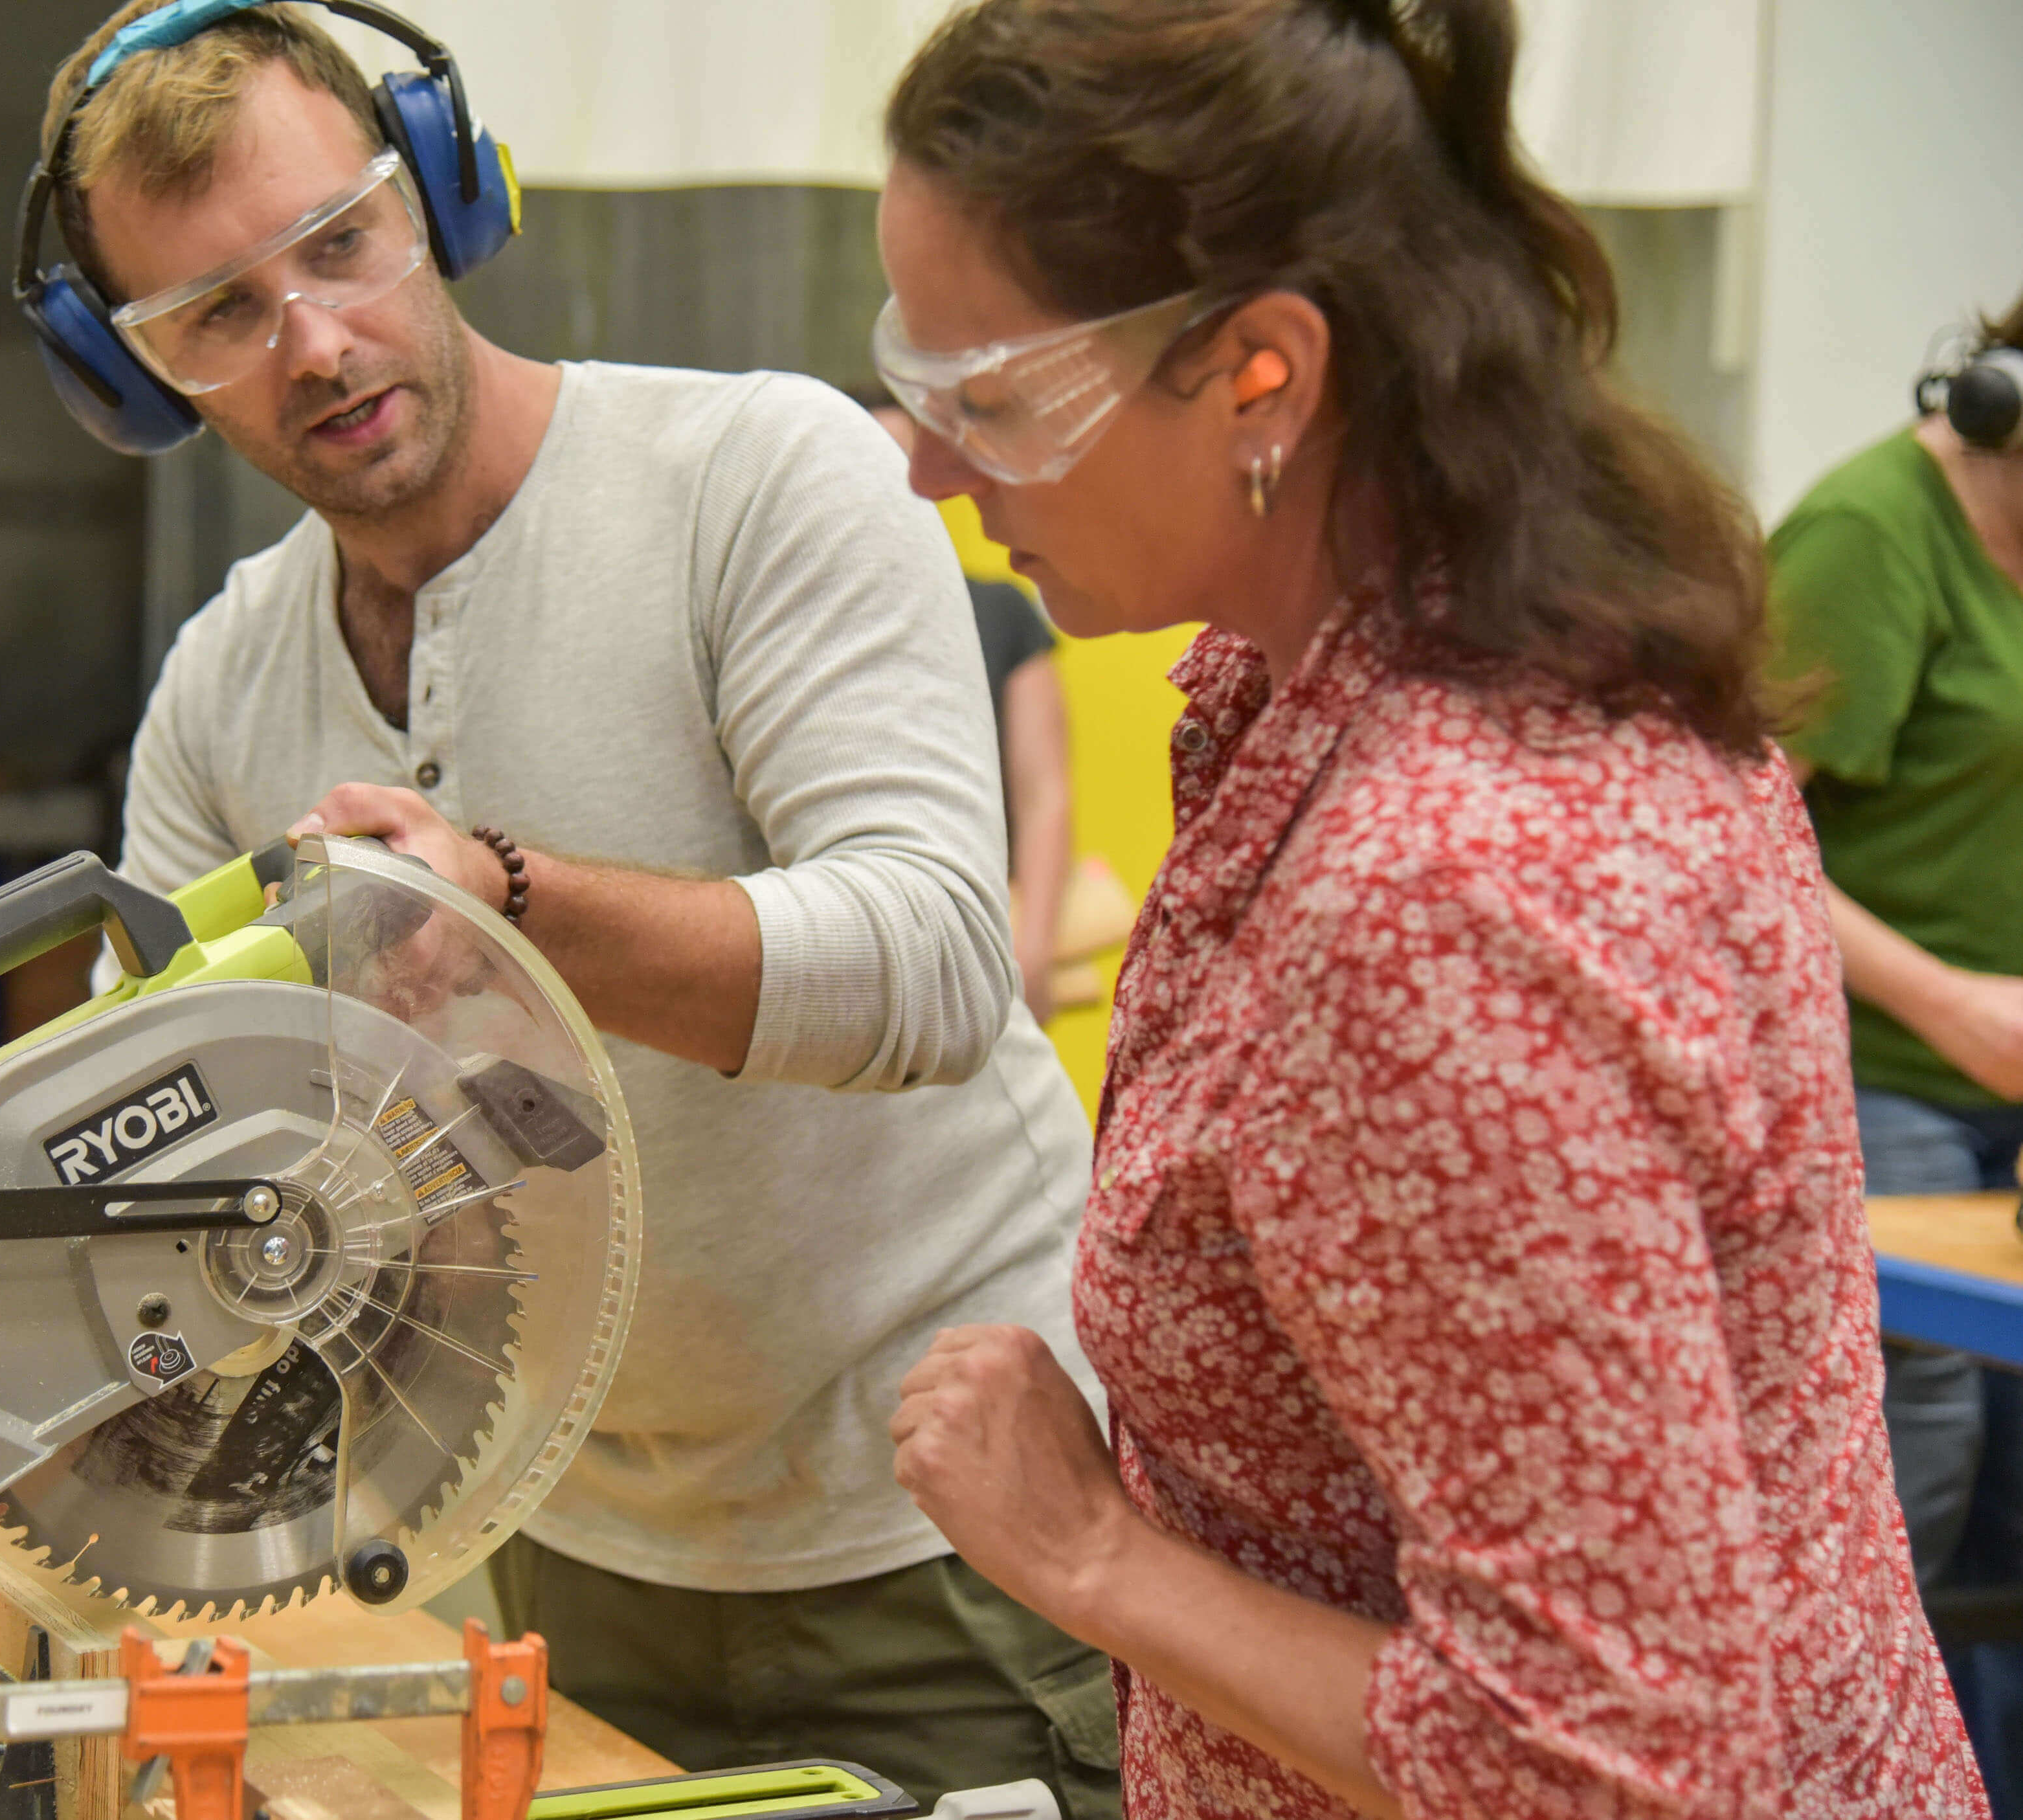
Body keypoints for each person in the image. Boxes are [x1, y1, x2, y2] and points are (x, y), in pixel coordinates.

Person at [869, 0, 1985, 1814]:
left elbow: (1616, 1759)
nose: (928, 468)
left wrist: (1090, 1554)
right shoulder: (1417, 652)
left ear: (1261, 373)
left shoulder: (1445, 899)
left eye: (988, 400)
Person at [33, 4, 1117, 1808]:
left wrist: (507, 909)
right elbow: (140, 1133)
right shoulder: (226, 686)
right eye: (220, 312)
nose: (313, 341)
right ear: (141, 376)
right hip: (571, 1560)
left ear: (436, 201)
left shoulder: (759, 482)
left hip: (959, 1536)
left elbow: (934, 961)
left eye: (340, 246)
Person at [1768, 287, 2023, 1808]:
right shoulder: (1869, 532)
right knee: (1919, 1413)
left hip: (1999, 1078)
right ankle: (1844, 1765)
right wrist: (1945, 996)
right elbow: (1732, 821)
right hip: (1882, 1065)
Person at [864, 392, 1075, 1024]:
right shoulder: (795, 623)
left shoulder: (999, 612)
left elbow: (1044, 795)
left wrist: (1032, 950)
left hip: (979, 948)